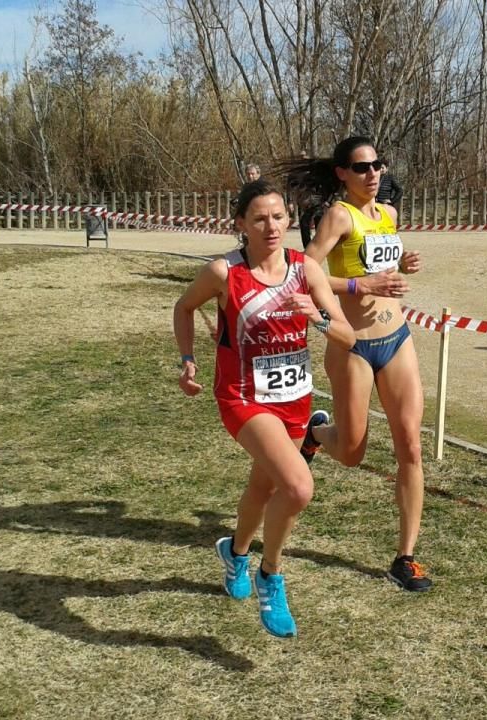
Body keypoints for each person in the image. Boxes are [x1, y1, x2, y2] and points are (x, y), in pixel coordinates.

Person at [172, 179, 355, 638]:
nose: (270, 225)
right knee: (297, 487)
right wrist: (188, 360)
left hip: (294, 400)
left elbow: (347, 336)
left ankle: (234, 553)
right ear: (241, 224)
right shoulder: (224, 273)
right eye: (259, 218)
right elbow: (183, 307)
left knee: (264, 486)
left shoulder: (305, 271)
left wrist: (316, 315)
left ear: (289, 221)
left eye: (278, 216)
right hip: (242, 397)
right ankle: (269, 575)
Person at [281, 136, 433, 592]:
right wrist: (358, 287)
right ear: (342, 174)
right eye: (362, 168)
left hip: (397, 338)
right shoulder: (338, 216)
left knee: (410, 445)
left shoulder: (387, 215)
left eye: (378, 166)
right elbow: (304, 271)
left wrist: (402, 264)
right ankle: (317, 434)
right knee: (351, 454)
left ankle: (405, 558)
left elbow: (385, 270)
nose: (373, 175)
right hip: (353, 345)